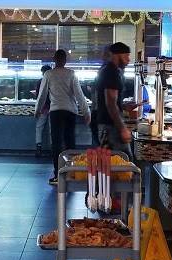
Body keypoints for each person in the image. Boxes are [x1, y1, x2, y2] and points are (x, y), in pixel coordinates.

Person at [36, 49, 91, 185]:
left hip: (55, 112)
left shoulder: (48, 74)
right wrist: (86, 112)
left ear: (54, 60)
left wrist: (37, 110)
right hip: (70, 112)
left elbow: (42, 94)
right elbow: (79, 95)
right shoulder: (71, 74)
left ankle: (58, 175)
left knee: (56, 144)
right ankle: (71, 173)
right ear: (65, 61)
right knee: (70, 142)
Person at [95, 41, 133, 157]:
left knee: (119, 162)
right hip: (110, 128)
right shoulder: (111, 72)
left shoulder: (111, 71)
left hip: (109, 125)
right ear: (117, 55)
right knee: (122, 161)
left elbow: (112, 101)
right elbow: (111, 103)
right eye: (126, 56)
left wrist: (123, 106)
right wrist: (122, 129)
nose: (128, 59)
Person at [34, 64, 51, 156]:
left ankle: (38, 148)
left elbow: (39, 96)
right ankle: (53, 149)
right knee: (52, 129)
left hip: (43, 108)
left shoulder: (40, 81)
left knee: (39, 127)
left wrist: (38, 109)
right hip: (53, 108)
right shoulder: (54, 81)